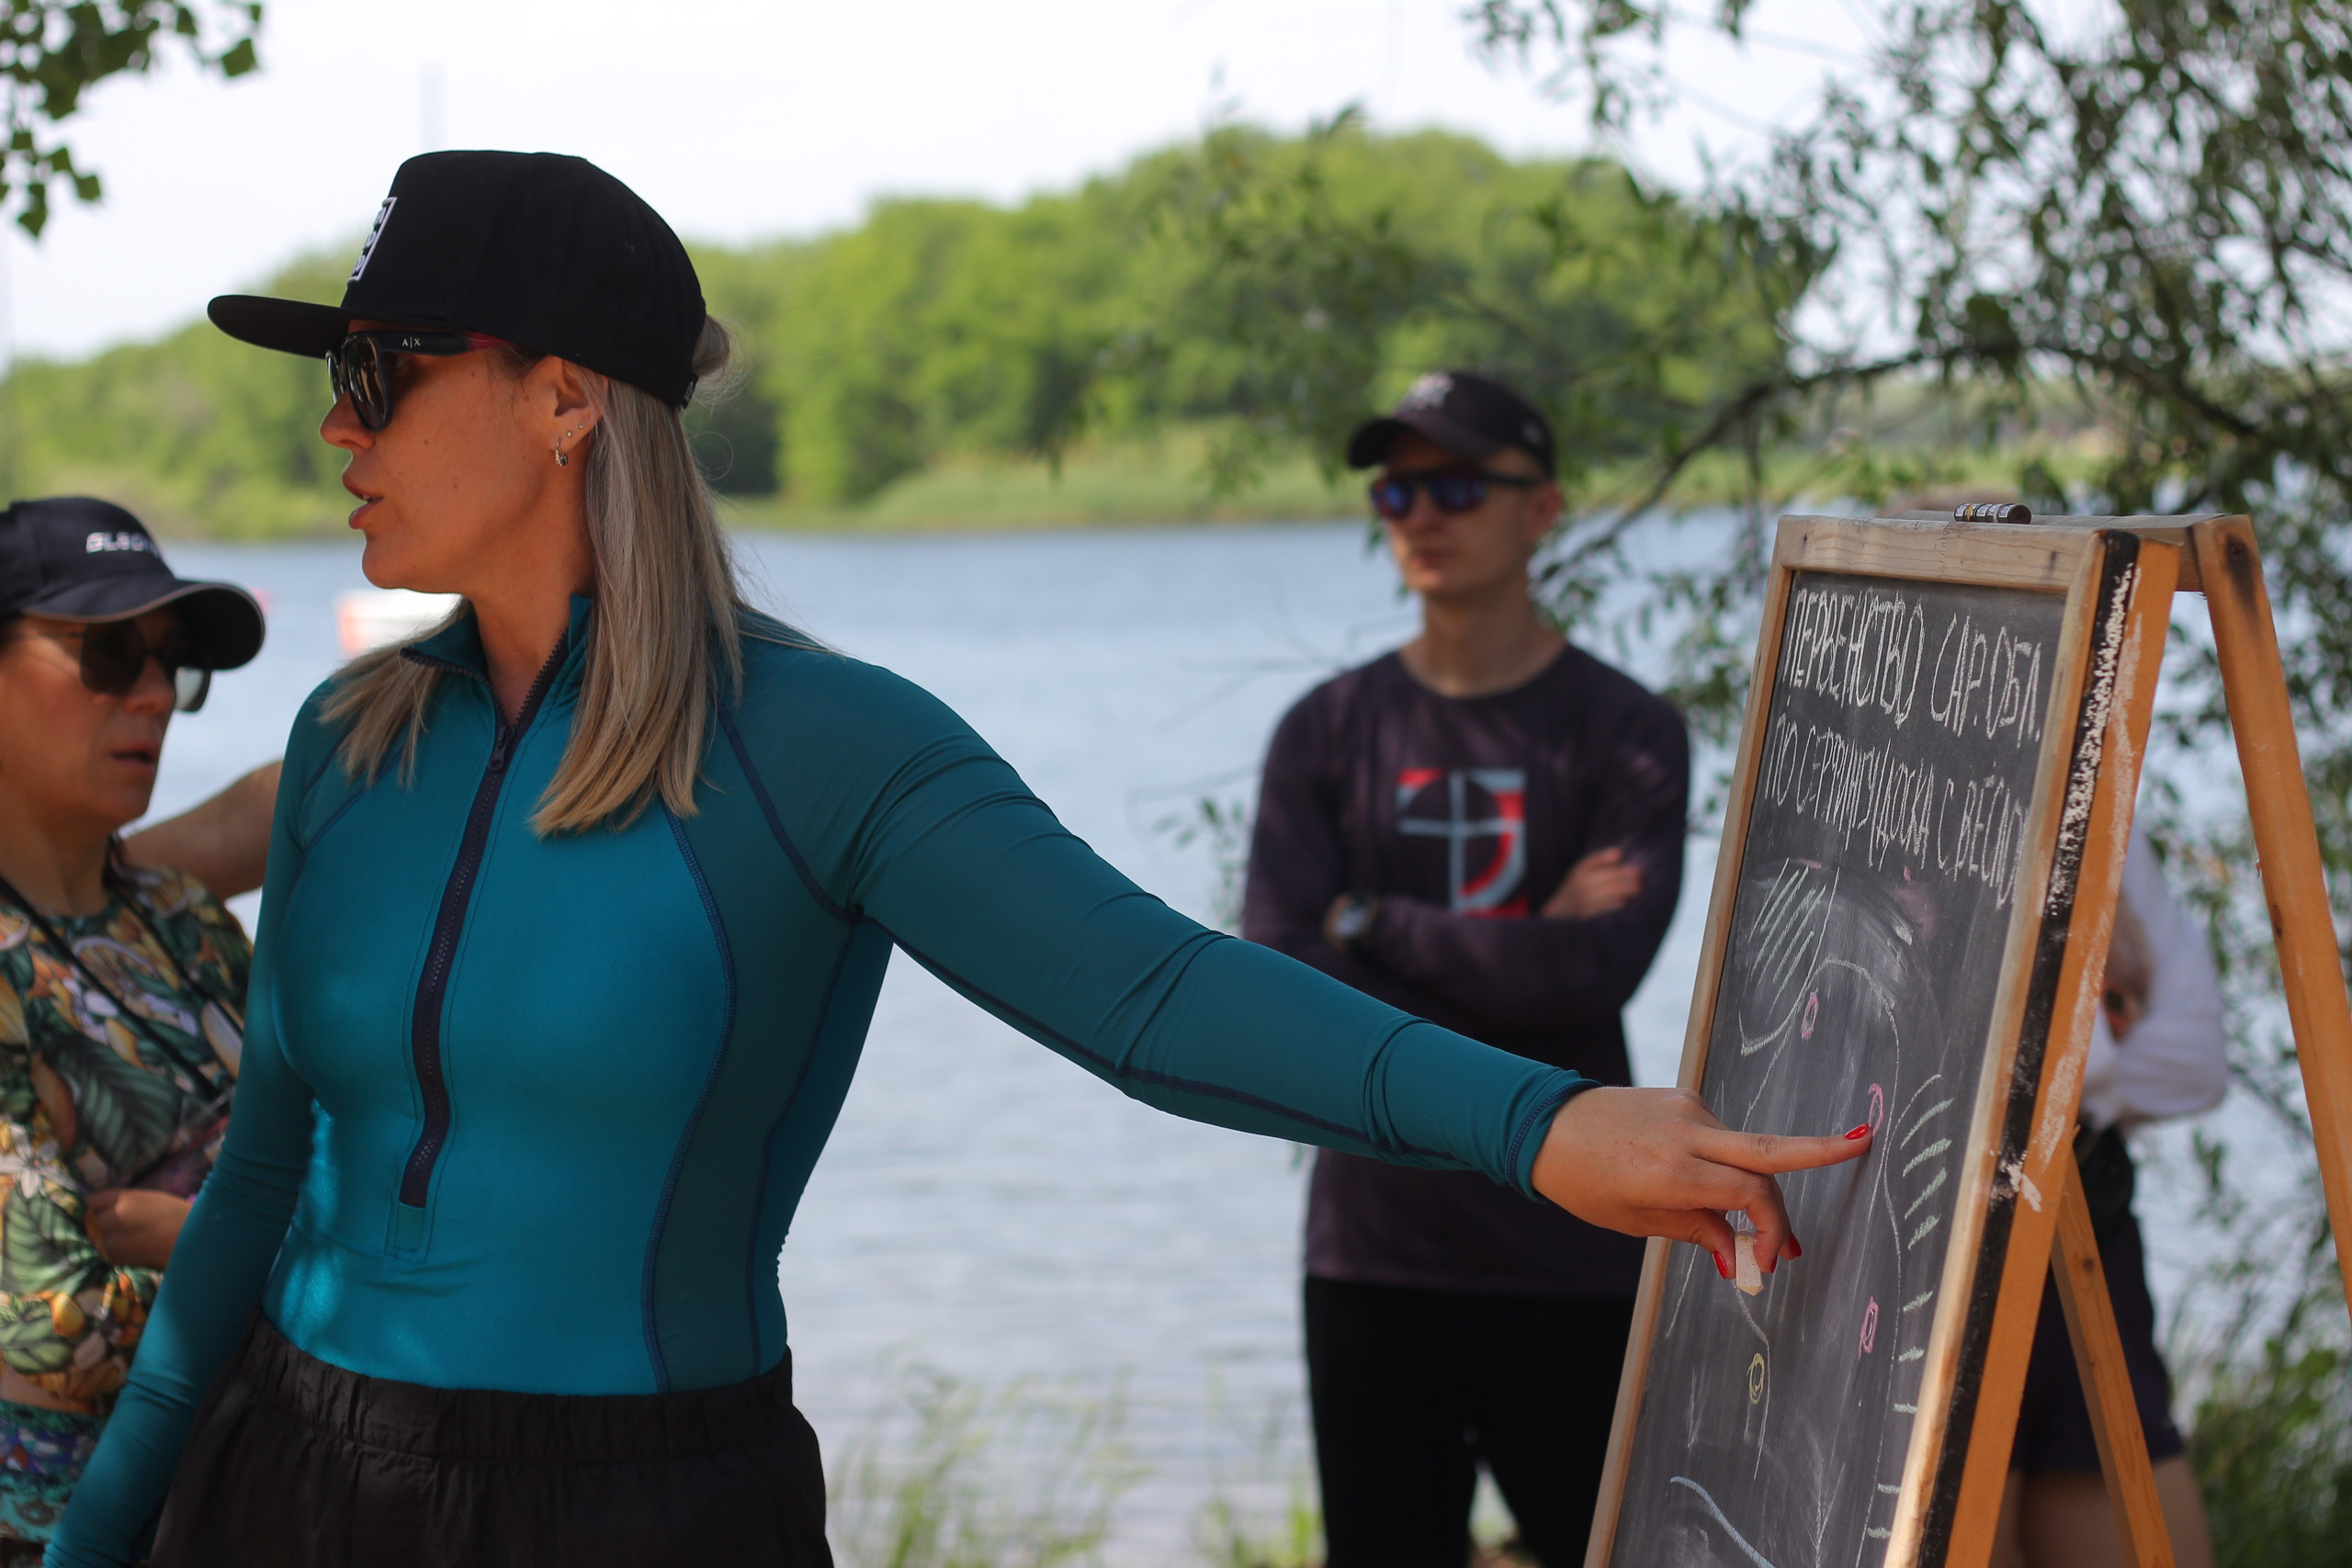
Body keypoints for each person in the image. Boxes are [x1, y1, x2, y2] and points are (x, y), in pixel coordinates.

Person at [44, 152, 1870, 1568]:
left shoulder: (825, 746)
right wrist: (95, 1534)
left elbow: (1152, 994)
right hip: (285, 1474)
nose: (334, 425)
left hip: (638, 1508)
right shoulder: (349, 757)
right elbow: (261, 1193)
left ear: (564, 397)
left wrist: (1541, 1126)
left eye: (379, 370)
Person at [1241, 370, 1687, 1568]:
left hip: (1575, 1234)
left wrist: (1369, 920)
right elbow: (1277, 991)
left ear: (1541, 509)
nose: (1420, 515)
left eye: (1455, 485)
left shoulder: (1627, 730)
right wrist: (1523, 930)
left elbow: (1596, 970)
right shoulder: (1327, 730)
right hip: (1374, 1249)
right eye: (1395, 490)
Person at [0, 497, 263, 1561]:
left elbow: (360, 1173)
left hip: (253, 1513)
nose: (155, 694)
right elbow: (51, 1323)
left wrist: (188, 1236)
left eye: (174, 662)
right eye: (108, 655)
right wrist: (306, 1266)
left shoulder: (185, 922)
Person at [1994, 826, 2224, 1568]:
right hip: (1943, 1243)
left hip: (2092, 1241)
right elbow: (1978, 1062)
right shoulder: (1906, 786)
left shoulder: (2098, 797)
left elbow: (2199, 1060)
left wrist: (2077, 1065)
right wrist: (2093, 1032)